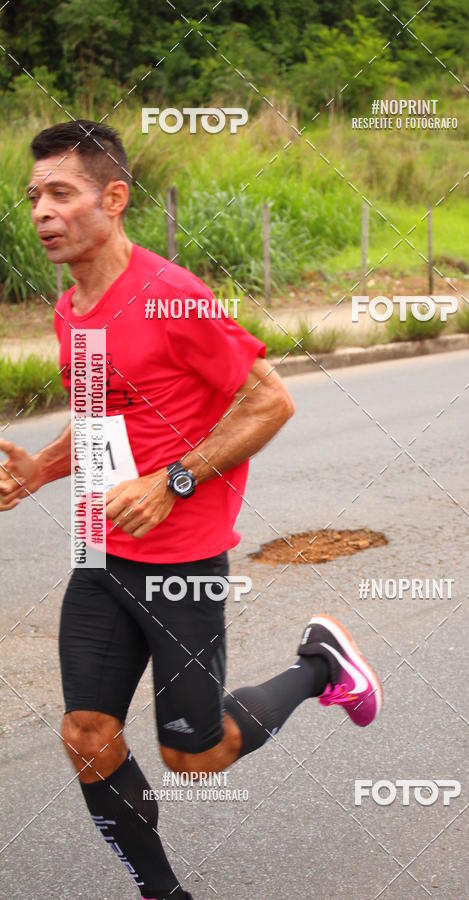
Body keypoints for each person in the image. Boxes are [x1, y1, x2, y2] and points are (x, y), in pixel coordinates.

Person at [0, 120, 382, 900]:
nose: (40, 211)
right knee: (87, 735)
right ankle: (162, 890)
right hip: (100, 558)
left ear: (113, 198)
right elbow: (108, 412)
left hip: (179, 565)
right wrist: (43, 468)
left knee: (195, 756)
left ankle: (319, 666)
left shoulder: (172, 296)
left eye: (60, 193)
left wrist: (173, 480)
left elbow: (268, 401)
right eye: (32, 195)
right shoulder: (72, 308)